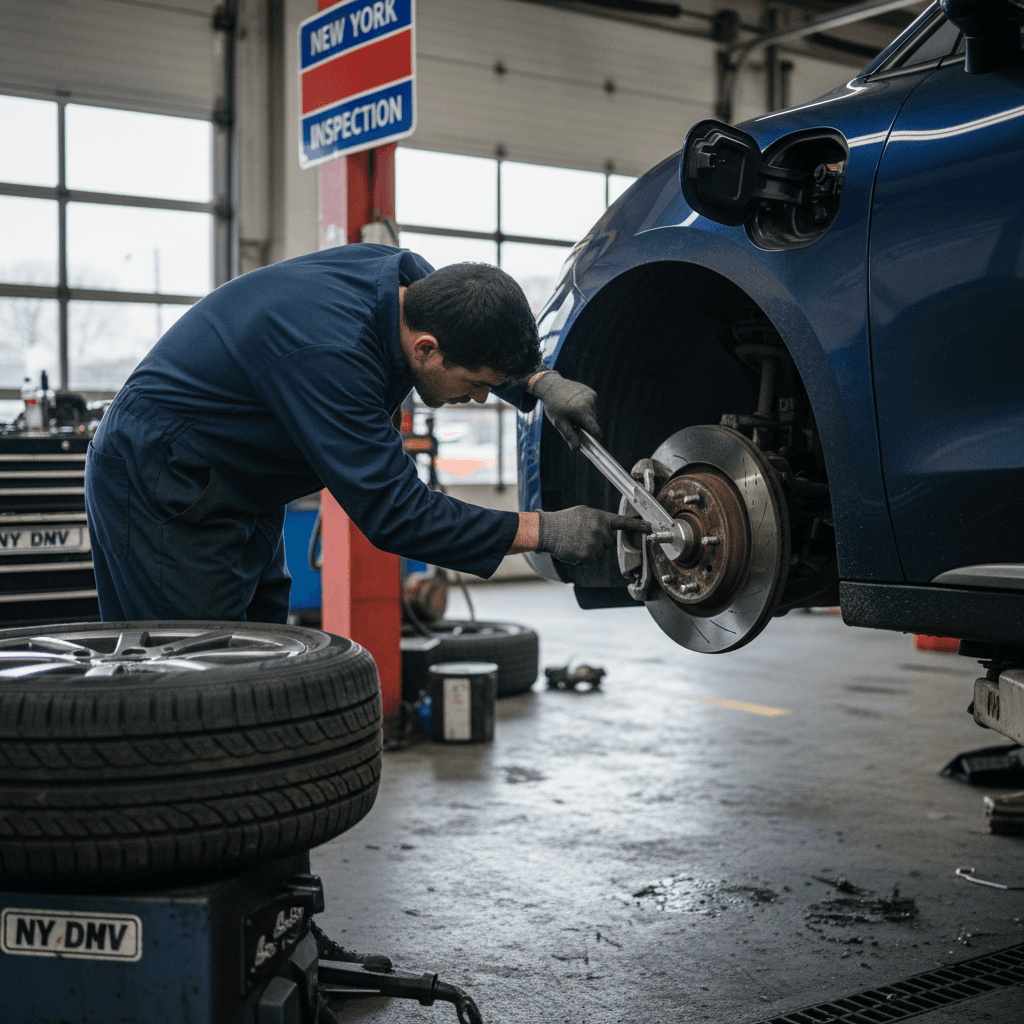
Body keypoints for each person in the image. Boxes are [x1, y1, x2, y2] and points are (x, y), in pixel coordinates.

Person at [84, 244, 649, 623]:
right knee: (187, 671)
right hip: (158, 475)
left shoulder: (410, 284)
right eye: (478, 385)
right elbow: (397, 514)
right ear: (426, 350)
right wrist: (545, 531)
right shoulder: (332, 356)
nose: (481, 398)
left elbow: (478, 330)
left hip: (236, 479)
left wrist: (538, 382)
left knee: (259, 647)